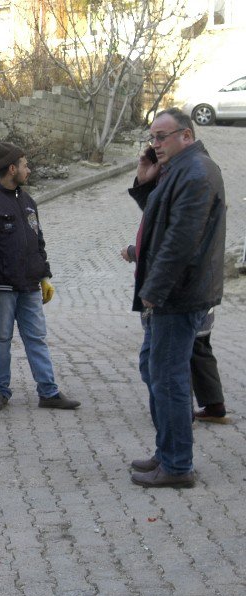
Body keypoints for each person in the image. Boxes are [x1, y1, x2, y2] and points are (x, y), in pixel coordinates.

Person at [126, 108, 226, 488]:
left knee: (168, 379)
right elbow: (159, 221)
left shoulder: (198, 172)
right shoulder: (178, 171)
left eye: (162, 136)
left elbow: (181, 241)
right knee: (155, 371)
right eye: (152, 138)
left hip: (179, 296)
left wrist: (154, 291)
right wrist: (145, 179)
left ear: (186, 135)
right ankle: (167, 452)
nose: (155, 144)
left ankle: (178, 465)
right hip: (172, 294)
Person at [0, 142, 80, 413]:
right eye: (24, 165)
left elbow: (37, 241)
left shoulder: (28, 202)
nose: (28, 170)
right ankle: (0, 391)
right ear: (11, 169)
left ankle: (49, 392)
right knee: (1, 338)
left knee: (37, 338)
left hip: (30, 284)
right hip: (1, 286)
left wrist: (44, 275)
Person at [122, 246, 229, 424]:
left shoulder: (181, 218)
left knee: (172, 358)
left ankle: (180, 415)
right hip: (201, 287)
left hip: (182, 295)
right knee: (198, 347)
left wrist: (133, 252)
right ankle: (213, 404)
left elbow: (166, 247)